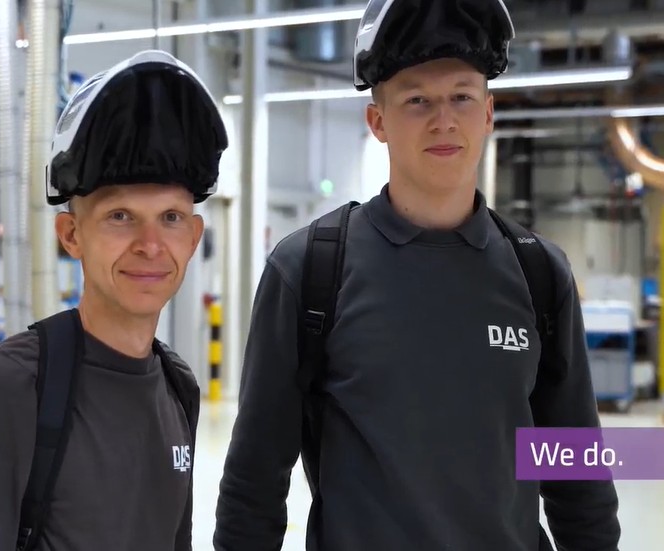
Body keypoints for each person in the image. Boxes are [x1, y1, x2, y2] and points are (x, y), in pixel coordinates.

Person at [213, 1, 621, 550]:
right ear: (378, 122)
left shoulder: (539, 273)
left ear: (488, 114)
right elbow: (255, 480)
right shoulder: (309, 271)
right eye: (417, 100)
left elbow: (577, 470)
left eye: (462, 96)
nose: (443, 119)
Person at [0, 49, 228, 551]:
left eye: (171, 218)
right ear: (71, 235)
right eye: (120, 217)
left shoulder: (178, 387)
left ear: (194, 236)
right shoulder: (11, 384)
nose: (150, 245)